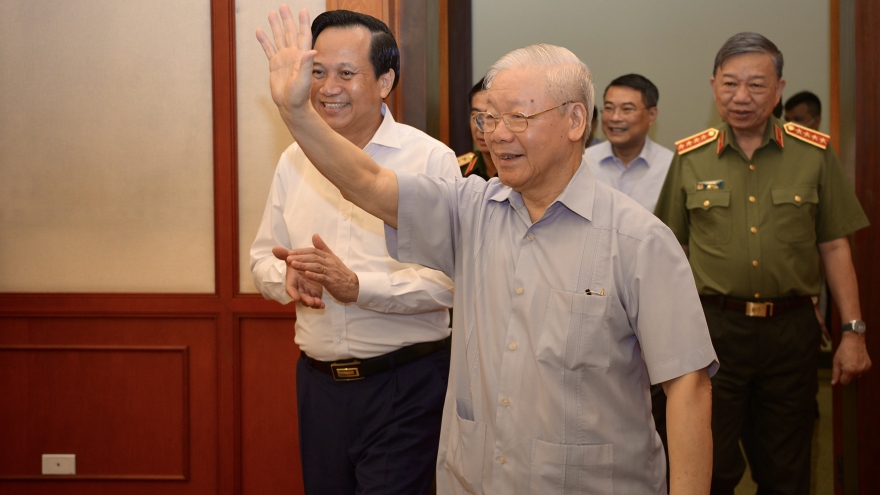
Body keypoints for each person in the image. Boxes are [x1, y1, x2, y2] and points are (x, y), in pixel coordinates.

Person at [256, 8, 718, 494]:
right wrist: (297, 113)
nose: (497, 134)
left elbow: (688, 387)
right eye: (489, 117)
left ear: (575, 120)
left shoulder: (640, 241)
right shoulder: (470, 212)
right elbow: (367, 181)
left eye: (518, 117)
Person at [250, 9, 459, 495]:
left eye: (346, 73)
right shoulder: (293, 159)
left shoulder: (430, 159)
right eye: (318, 72)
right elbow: (261, 260)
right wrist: (287, 279)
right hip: (318, 385)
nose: (328, 88)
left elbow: (450, 283)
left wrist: (359, 288)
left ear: (385, 82)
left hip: (404, 384)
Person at [655, 32, 872, 495]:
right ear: (713, 86)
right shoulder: (690, 158)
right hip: (713, 331)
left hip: (790, 332)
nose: (741, 97)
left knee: (786, 470)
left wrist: (853, 332)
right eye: (730, 84)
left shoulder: (814, 154)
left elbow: (835, 246)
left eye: (756, 85)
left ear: (779, 89)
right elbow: (671, 252)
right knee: (710, 466)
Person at [584, 74, 672, 213]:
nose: (615, 117)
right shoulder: (582, 163)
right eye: (609, 108)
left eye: (627, 109)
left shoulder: (670, 167)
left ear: (651, 115)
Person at [458, 78, 497, 179]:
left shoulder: (525, 172)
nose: (481, 128)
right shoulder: (459, 171)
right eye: (475, 115)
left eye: (490, 117)